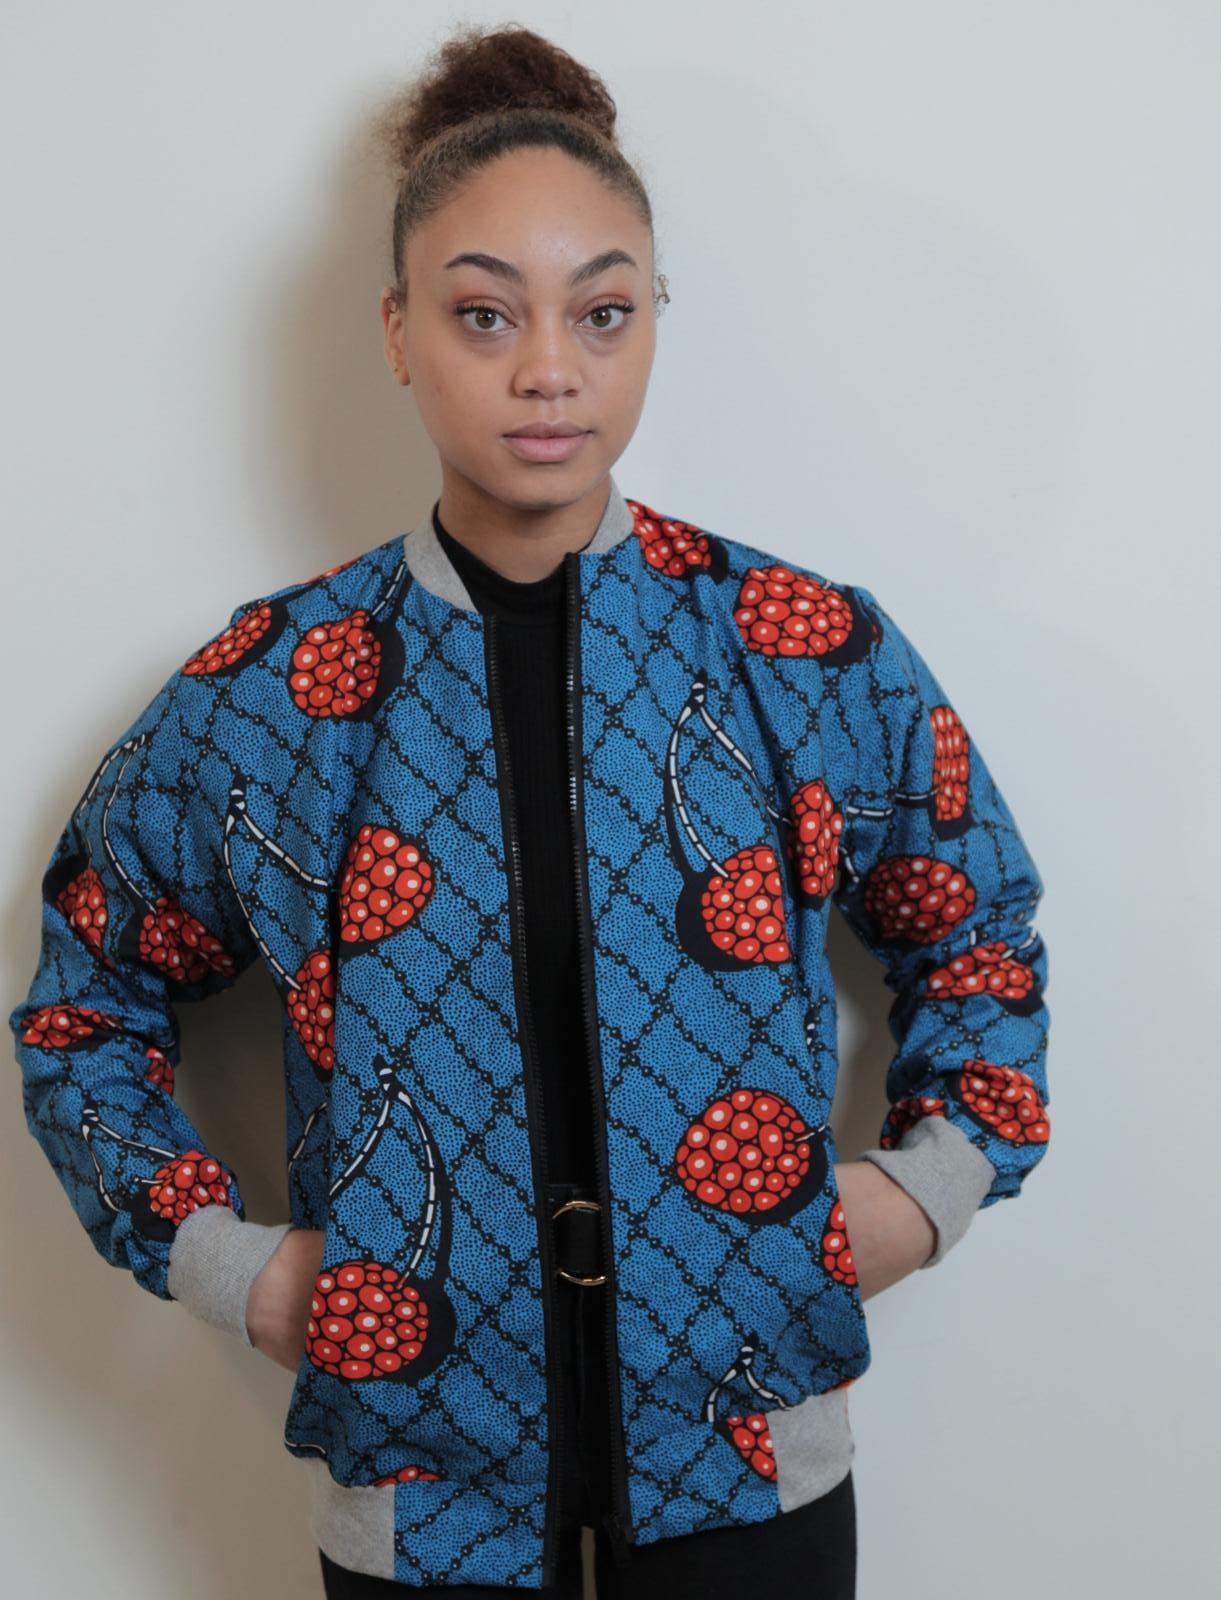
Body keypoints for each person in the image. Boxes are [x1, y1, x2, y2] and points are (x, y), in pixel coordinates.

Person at [8, 21, 1052, 1600]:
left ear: (650, 323)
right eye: (483, 312)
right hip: (423, 1503)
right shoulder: (270, 692)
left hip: (751, 1476)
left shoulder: (797, 646)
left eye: (602, 311)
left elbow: (978, 934)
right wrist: (239, 1268)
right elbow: (81, 1008)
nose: (548, 367)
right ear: (397, 330)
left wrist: (920, 1193)